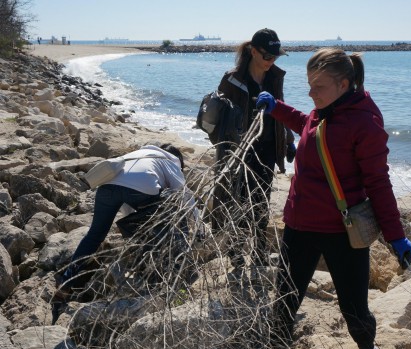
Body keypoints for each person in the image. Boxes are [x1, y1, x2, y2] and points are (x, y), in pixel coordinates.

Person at [256, 47, 411, 349]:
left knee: (354, 305)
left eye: (318, 87)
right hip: (298, 224)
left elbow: (378, 184)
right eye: (309, 85)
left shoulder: (364, 123)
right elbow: (308, 126)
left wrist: (396, 235)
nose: (310, 93)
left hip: (342, 231)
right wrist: (277, 109)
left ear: (344, 84)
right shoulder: (323, 108)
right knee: (286, 294)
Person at [52, 144, 199, 322]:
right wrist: (199, 227)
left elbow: (127, 206)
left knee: (95, 236)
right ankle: (170, 273)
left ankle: (66, 284)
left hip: (106, 187)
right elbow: (185, 196)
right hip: (142, 189)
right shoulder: (170, 161)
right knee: (172, 206)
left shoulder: (139, 155)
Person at [213, 28, 295, 268]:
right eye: (267, 56)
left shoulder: (274, 77)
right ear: (253, 51)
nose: (271, 61)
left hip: (268, 147)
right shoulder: (232, 79)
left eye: (275, 56)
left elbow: (281, 109)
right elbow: (218, 117)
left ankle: (259, 251)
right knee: (237, 199)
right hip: (239, 150)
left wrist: (289, 141)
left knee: (261, 200)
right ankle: (236, 253)